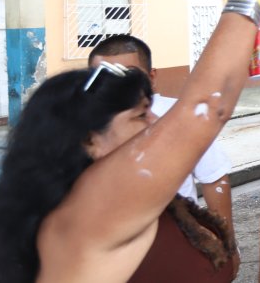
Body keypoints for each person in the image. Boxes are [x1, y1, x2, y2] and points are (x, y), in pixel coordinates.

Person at [0, 0, 260, 283]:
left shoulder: (123, 195)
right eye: (140, 115)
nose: (156, 122)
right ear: (89, 140)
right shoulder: (94, 207)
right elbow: (208, 108)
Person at [89, 35, 234, 237]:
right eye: (108, 75)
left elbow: (214, 178)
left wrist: (226, 243)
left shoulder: (181, 116)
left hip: (176, 242)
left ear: (151, 77)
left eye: (130, 75)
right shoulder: (82, 126)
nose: (119, 85)